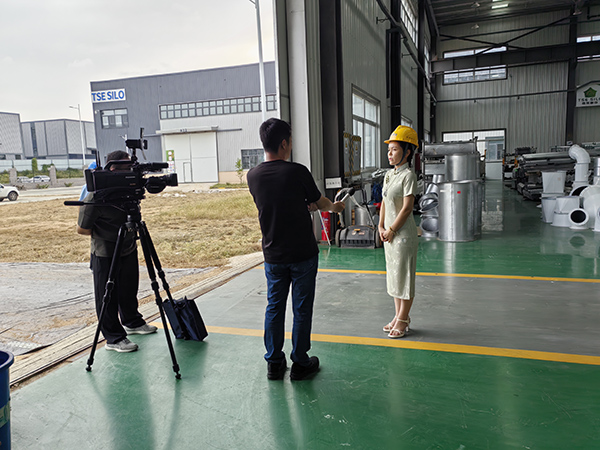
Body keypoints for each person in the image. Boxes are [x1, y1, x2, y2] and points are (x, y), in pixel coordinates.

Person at [247, 118, 345, 380]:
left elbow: (276, 202)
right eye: (290, 142)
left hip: (273, 254)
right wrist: (334, 207)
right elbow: (320, 201)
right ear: (283, 143)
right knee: (301, 308)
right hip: (302, 254)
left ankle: (274, 362)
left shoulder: (253, 176)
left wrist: (304, 205)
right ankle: (300, 362)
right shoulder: (297, 171)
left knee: (274, 307)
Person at [76, 150, 157, 353]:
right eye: (125, 168)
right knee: (107, 295)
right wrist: (109, 233)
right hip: (105, 252)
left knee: (129, 288)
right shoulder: (96, 195)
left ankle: (132, 321)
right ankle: (113, 338)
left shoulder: (130, 191)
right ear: (112, 169)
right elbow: (82, 229)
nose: (129, 172)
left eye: (130, 168)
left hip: (128, 247)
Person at [378, 125, 419, 339]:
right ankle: (398, 315)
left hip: (403, 235)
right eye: (389, 150)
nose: (390, 154)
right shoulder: (388, 175)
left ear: (407, 152)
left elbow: (407, 208)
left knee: (404, 277)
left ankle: (403, 319)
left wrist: (392, 229)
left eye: (395, 149)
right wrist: (380, 226)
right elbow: (385, 202)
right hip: (390, 235)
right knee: (394, 277)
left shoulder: (408, 176)